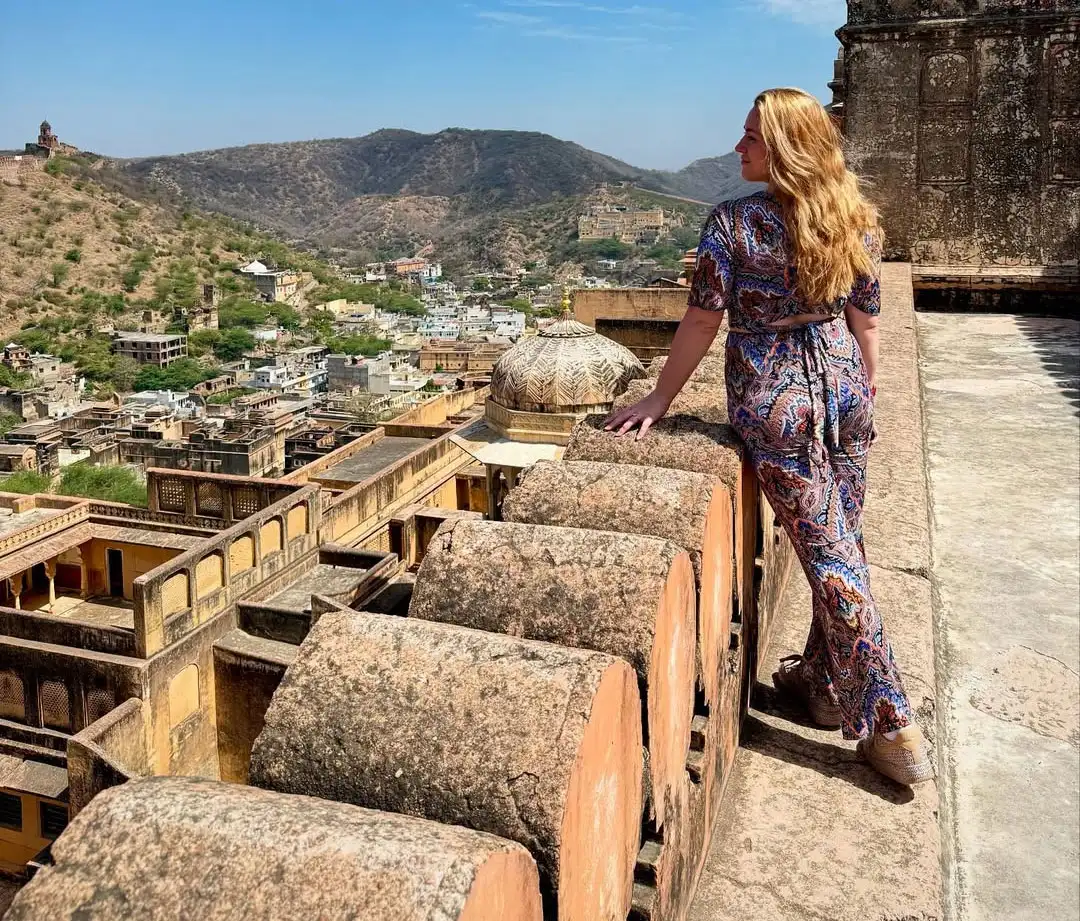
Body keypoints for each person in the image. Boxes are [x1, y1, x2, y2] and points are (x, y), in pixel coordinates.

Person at [605, 87, 932, 787]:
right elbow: (866, 324)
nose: (739, 146)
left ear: (784, 149)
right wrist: (862, 396)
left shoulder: (734, 224)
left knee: (832, 558)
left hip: (776, 401)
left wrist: (661, 396)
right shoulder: (859, 223)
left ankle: (891, 720)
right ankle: (819, 683)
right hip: (845, 393)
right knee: (844, 541)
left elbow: (701, 321)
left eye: (752, 136)